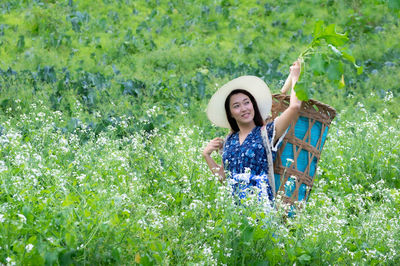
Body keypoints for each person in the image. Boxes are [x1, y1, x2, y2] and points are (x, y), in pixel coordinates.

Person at [203, 60, 301, 204]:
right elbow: (224, 178)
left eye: (246, 102)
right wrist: (207, 155)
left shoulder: (267, 132)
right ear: (230, 114)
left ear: (253, 105)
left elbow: (294, 107)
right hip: (235, 213)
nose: (244, 109)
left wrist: (295, 77)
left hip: (261, 210)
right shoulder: (230, 140)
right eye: (236, 106)